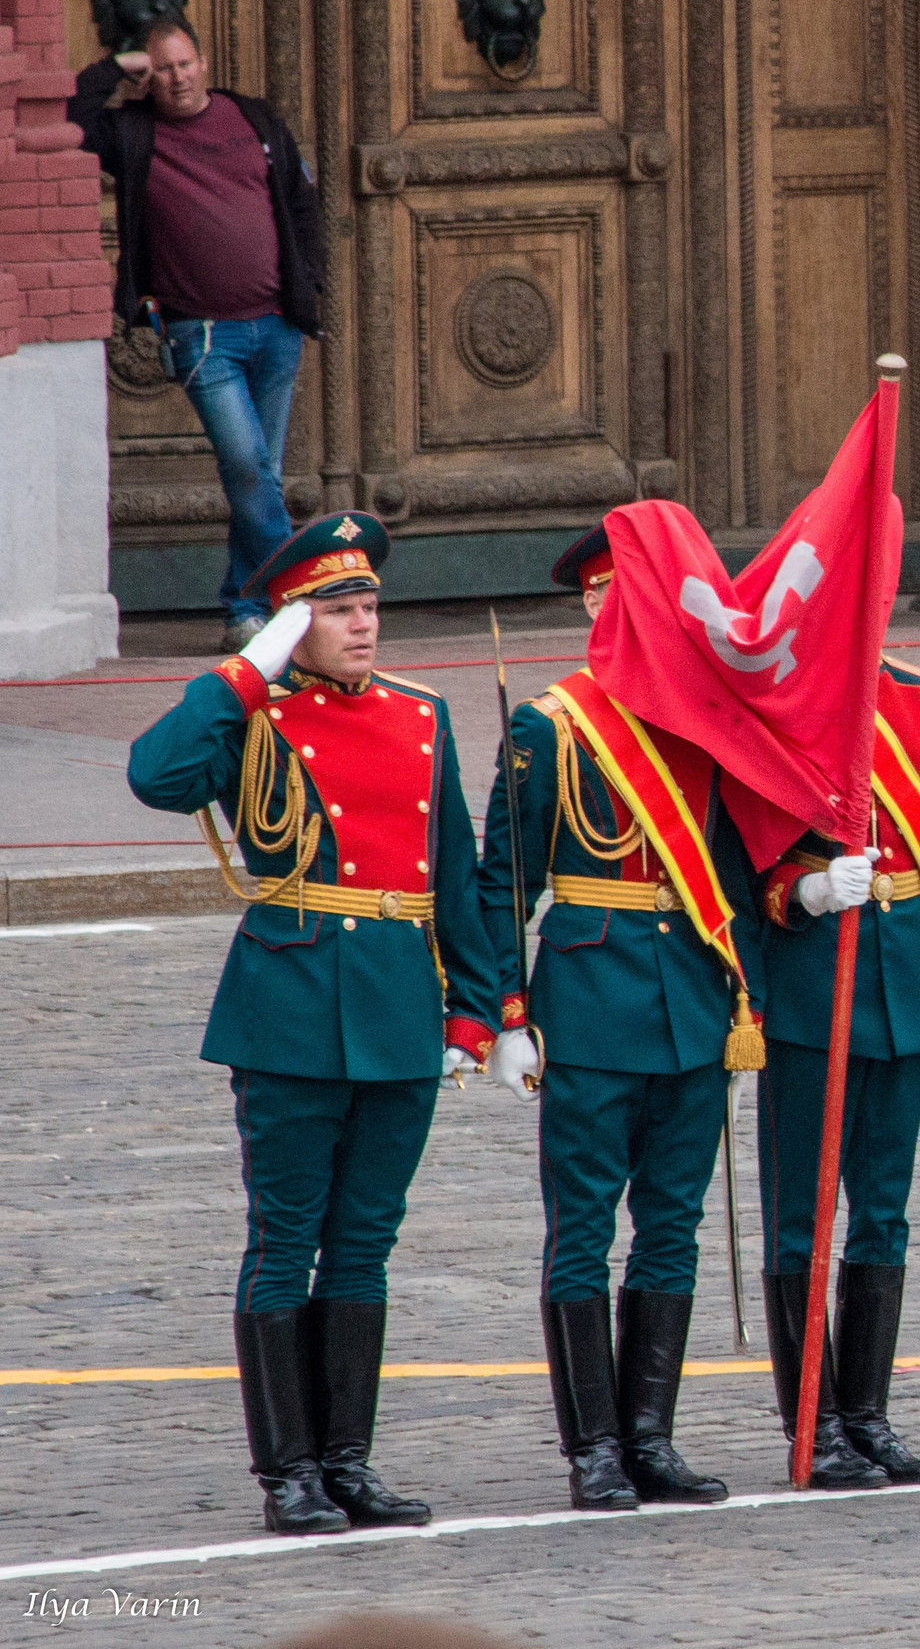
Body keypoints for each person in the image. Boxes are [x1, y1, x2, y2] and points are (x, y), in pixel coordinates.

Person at [126, 512, 501, 1536]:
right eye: (337, 608)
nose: (363, 622)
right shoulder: (258, 714)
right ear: (295, 622)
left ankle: (348, 1459)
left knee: (366, 1243)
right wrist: (247, 672)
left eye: (369, 602)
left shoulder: (423, 715)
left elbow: (455, 876)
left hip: (396, 1010)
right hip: (290, 1011)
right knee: (284, 1240)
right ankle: (287, 1468)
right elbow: (155, 775)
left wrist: (479, 1006)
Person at [475, 525, 762, 1510]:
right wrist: (504, 1009)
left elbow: (734, 864)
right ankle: (591, 1443)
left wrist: (745, 991)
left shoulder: (704, 720)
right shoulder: (552, 727)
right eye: (609, 599)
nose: (624, 615)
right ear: (592, 608)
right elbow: (500, 882)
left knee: (672, 1225)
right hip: (590, 1000)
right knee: (584, 1228)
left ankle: (649, 1434)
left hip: (690, 995)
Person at [748, 638, 920, 1490]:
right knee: (800, 1219)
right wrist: (802, 889)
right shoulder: (780, 696)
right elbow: (742, 842)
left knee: (883, 1212)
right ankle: (811, 1423)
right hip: (816, 980)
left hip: (905, 978)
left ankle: (868, 1415)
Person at [71, 13, 324, 653]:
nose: (177, 77)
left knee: (258, 471)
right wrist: (116, 67)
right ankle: (302, 592)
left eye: (185, 64)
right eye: (161, 68)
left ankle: (245, 608)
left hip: (275, 327)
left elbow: (300, 199)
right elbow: (69, 114)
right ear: (148, 76)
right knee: (245, 462)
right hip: (203, 337)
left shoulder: (255, 119)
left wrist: (310, 285)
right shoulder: (133, 132)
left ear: (204, 63)